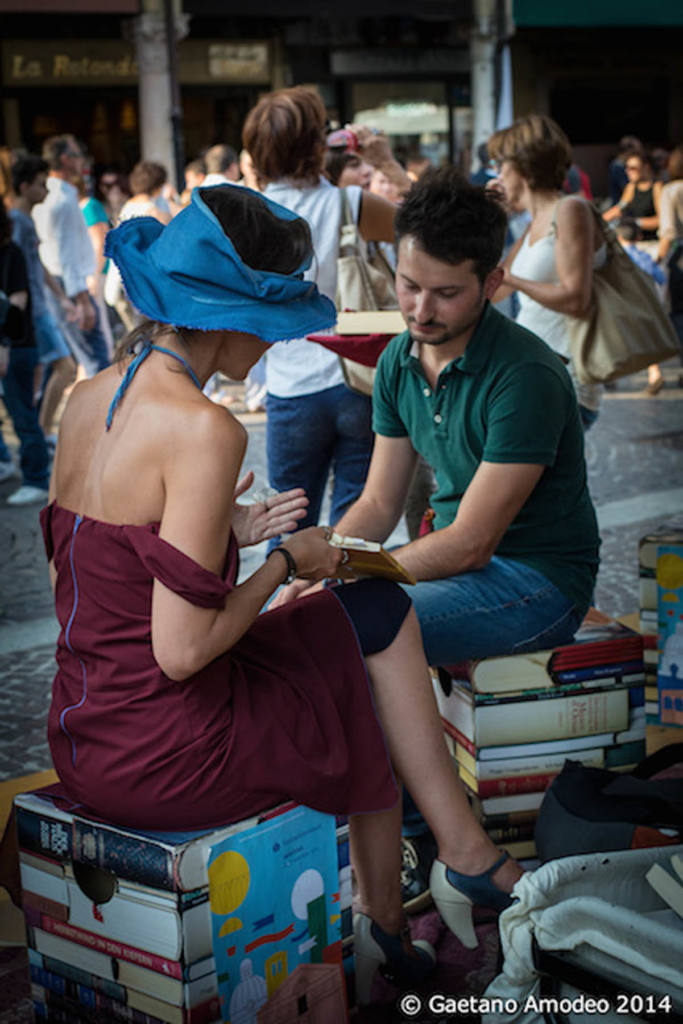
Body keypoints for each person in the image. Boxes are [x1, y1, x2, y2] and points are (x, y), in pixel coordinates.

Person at [42, 183, 524, 1002]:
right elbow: (183, 650)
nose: (270, 346)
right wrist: (283, 560)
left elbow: (93, 572)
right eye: (266, 324)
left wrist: (225, 531)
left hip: (84, 732)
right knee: (354, 653)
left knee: (366, 616)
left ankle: (391, 909)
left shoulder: (87, 397)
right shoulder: (204, 428)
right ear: (231, 311)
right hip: (167, 752)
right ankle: (422, 887)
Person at [273, 168, 600, 910]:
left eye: (445, 292)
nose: (419, 309)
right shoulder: (395, 359)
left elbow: (471, 544)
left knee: (354, 624)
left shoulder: (527, 374)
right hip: (458, 571)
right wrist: (310, 560)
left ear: (490, 283)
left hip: (539, 585)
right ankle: (438, 843)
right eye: (408, 285)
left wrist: (341, 572)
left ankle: (435, 842)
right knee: (321, 612)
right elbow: (379, 501)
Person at [242, 87, 398, 534]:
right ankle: (342, 603)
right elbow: (426, 229)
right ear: (317, 145)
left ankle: (287, 602)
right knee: (353, 531)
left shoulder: (248, 214)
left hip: (290, 387)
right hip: (354, 377)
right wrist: (385, 163)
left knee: (288, 529)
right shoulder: (349, 204)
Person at [487, 114, 606, 428]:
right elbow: (495, 289)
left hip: (563, 379)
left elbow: (575, 300)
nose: (496, 175)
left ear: (522, 168)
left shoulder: (570, 210)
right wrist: (492, 219)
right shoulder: (532, 222)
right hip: (532, 371)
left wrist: (512, 278)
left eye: (500, 166)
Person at [9, 154, 77, 449]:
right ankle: (41, 432)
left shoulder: (23, 220)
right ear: (25, 187)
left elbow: (36, 264)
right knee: (64, 368)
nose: (46, 191)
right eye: (40, 185)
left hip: (39, 308)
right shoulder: (16, 222)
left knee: (46, 373)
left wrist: (61, 297)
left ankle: (40, 432)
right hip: (32, 312)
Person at [32, 135, 110, 378]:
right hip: (68, 285)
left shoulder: (55, 197)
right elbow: (67, 255)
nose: (81, 162)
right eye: (77, 155)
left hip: (60, 284)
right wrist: (82, 301)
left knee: (65, 363)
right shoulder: (62, 200)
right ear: (65, 160)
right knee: (96, 361)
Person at [0, 202, 51, 505]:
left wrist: (4, 345)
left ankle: (36, 477)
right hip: (11, 347)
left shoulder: (11, 254)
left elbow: (17, 305)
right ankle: (8, 463)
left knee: (23, 415)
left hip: (15, 347)